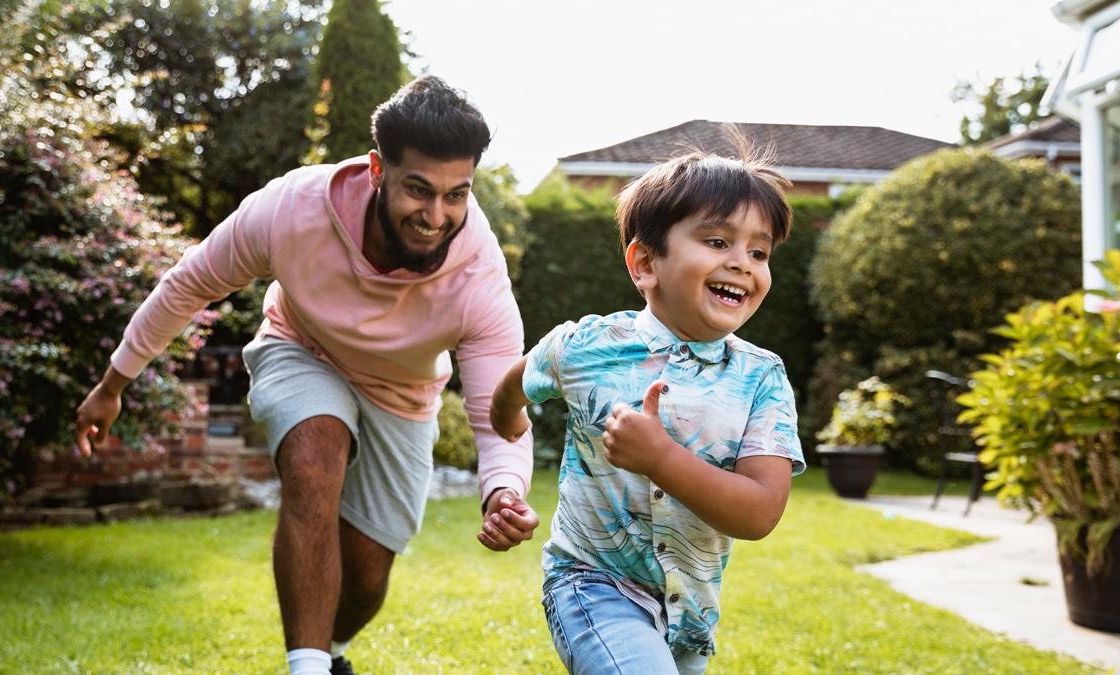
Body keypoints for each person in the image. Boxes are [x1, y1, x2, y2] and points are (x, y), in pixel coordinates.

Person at [75, 76, 540, 675]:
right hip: (302, 348)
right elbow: (189, 284)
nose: (435, 216)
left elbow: (496, 408)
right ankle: (308, 668)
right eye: (418, 190)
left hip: (404, 393)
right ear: (377, 169)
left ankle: (331, 652)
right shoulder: (292, 209)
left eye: (456, 195)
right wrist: (113, 383)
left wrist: (504, 490)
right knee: (313, 456)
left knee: (368, 577)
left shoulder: (478, 275)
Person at [489, 152, 806, 674]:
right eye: (717, 242)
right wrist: (509, 426)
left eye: (759, 251)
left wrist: (661, 458)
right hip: (591, 583)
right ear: (644, 264)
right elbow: (512, 386)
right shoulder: (584, 346)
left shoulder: (761, 378)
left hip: (690, 613)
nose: (743, 263)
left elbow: (760, 512)